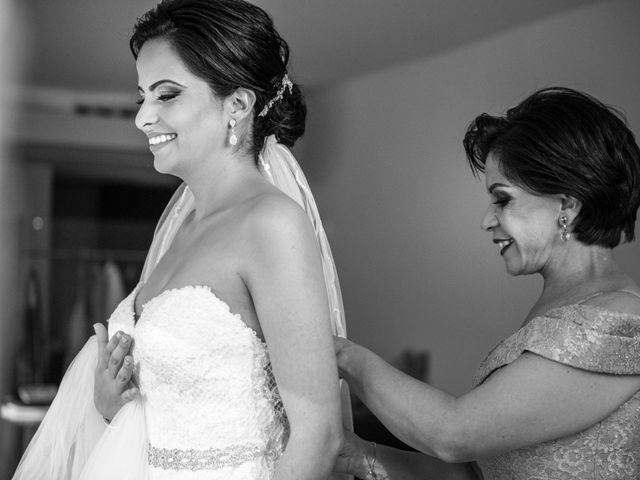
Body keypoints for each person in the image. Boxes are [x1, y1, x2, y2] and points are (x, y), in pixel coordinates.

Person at [13, 1, 351, 478]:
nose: (142, 118)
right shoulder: (182, 225)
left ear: (237, 104)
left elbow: (319, 436)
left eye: (166, 95)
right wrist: (114, 403)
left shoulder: (271, 224)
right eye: (141, 97)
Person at [333, 87, 640, 479]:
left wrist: (345, 357)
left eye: (503, 200)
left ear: (567, 204)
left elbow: (453, 434)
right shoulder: (570, 310)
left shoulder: (619, 322)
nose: (487, 220)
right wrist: (358, 455)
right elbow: (478, 473)